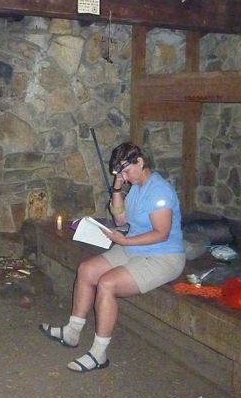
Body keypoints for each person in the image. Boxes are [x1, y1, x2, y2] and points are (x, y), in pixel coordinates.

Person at [40, 142, 185, 372]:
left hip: (163, 256)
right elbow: (120, 221)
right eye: (121, 174)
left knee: (107, 284)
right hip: (135, 249)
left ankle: (99, 353)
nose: (125, 178)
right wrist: (117, 190)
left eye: (126, 172)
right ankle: (72, 332)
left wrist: (126, 241)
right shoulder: (136, 186)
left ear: (140, 162)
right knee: (86, 270)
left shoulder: (159, 191)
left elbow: (161, 233)